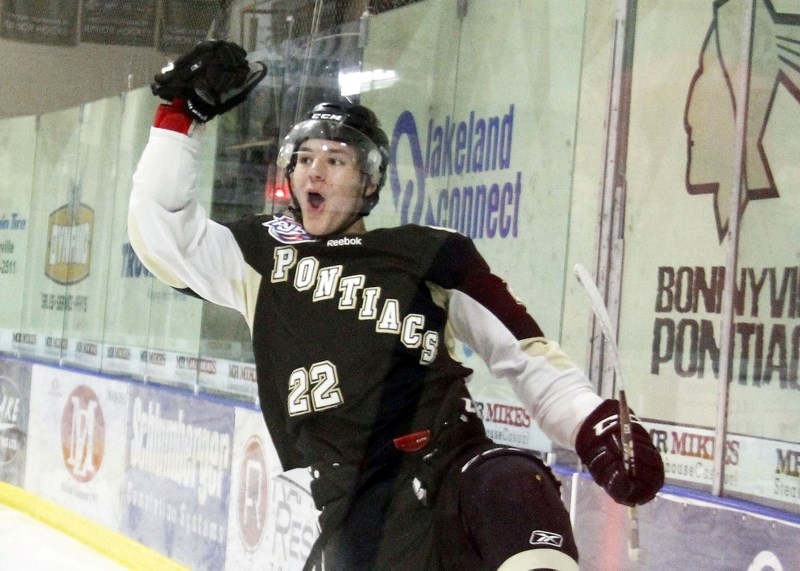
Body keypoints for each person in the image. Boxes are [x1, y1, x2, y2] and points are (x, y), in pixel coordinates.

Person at [129, 40, 664, 570]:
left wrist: (596, 426)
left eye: (336, 160)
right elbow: (163, 237)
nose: (314, 172)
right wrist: (180, 120)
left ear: (369, 183)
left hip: (456, 465)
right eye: (305, 159)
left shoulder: (429, 252)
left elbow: (522, 354)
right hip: (361, 508)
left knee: (513, 482)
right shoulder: (259, 256)